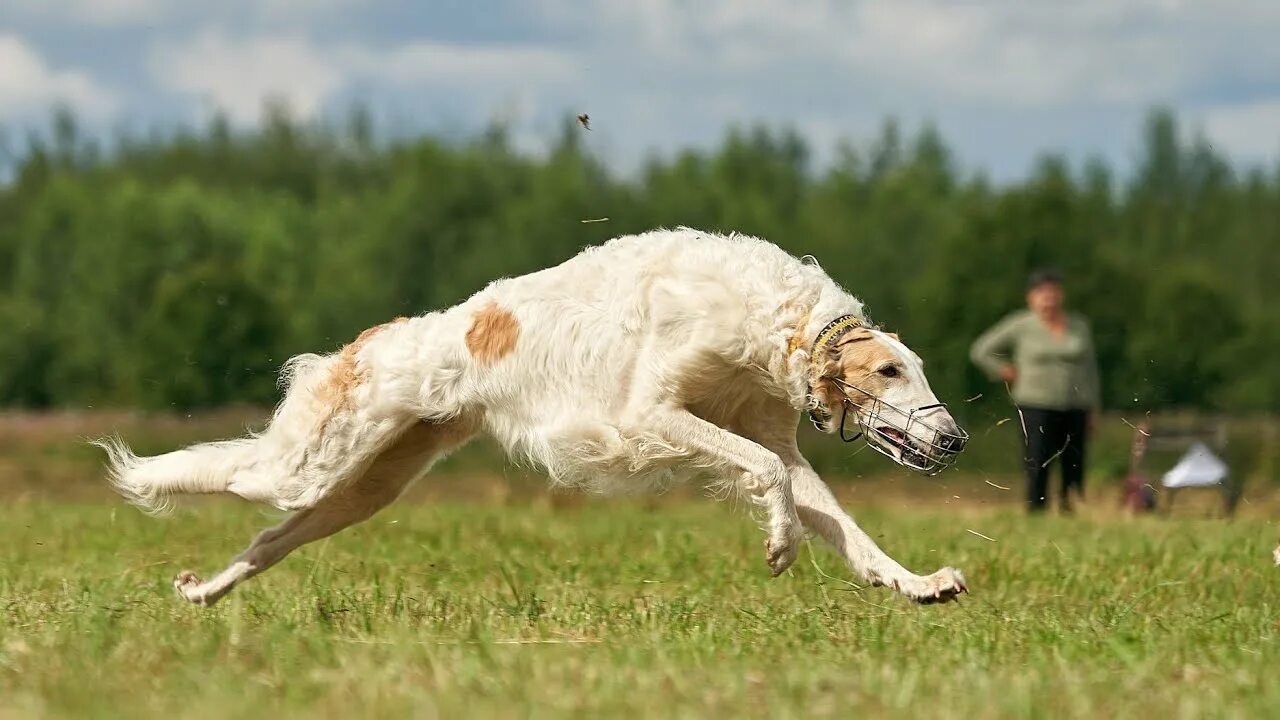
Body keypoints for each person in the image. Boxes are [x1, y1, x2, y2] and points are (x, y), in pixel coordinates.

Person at [970, 268, 1101, 513]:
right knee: (1038, 456)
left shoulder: (1079, 325)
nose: (1049, 297)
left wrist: (1093, 406)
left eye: (1054, 291)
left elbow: (1090, 368)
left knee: (1074, 458)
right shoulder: (1020, 324)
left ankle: (1071, 504)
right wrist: (1003, 369)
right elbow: (981, 350)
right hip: (1035, 402)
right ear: (1031, 296)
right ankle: (1036, 506)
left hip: (1076, 402)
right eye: (1042, 292)